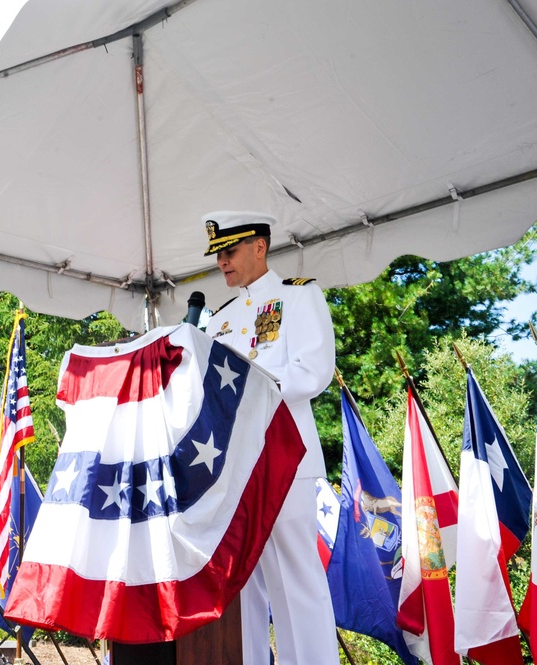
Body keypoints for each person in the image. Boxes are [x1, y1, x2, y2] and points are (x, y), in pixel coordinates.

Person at [202, 211, 340, 665]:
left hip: (285, 459)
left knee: (296, 579)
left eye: (230, 251)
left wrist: (250, 395)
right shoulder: (216, 320)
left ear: (259, 247)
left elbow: (313, 371)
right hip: (233, 468)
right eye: (217, 254)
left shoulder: (298, 298)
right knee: (245, 586)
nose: (222, 262)